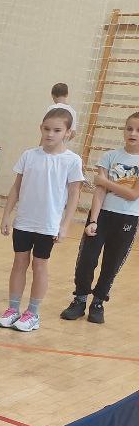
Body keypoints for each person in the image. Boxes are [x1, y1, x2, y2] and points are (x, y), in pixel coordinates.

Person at [0, 108, 85, 332]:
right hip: (24, 221)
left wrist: (65, 225)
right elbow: (17, 187)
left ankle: (33, 313)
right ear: (41, 128)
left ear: (67, 133)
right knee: (19, 263)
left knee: (39, 265)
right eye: (47, 129)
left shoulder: (72, 161)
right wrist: (7, 214)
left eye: (57, 130)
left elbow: (75, 194)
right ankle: (13, 309)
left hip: (48, 224)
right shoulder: (29, 155)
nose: (50, 134)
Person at [63, 111, 139, 325]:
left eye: (138, 130)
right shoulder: (109, 156)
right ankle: (79, 299)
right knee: (87, 258)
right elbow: (99, 192)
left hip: (127, 219)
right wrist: (93, 220)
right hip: (102, 216)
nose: (133, 133)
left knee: (112, 262)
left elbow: (133, 194)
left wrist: (105, 182)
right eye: (129, 128)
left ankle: (97, 302)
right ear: (124, 130)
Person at [49, 82, 78, 147]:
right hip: (61, 146)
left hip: (49, 144)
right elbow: (73, 133)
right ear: (67, 95)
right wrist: (63, 142)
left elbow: (47, 127)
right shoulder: (73, 111)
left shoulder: (52, 108)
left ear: (52, 95)